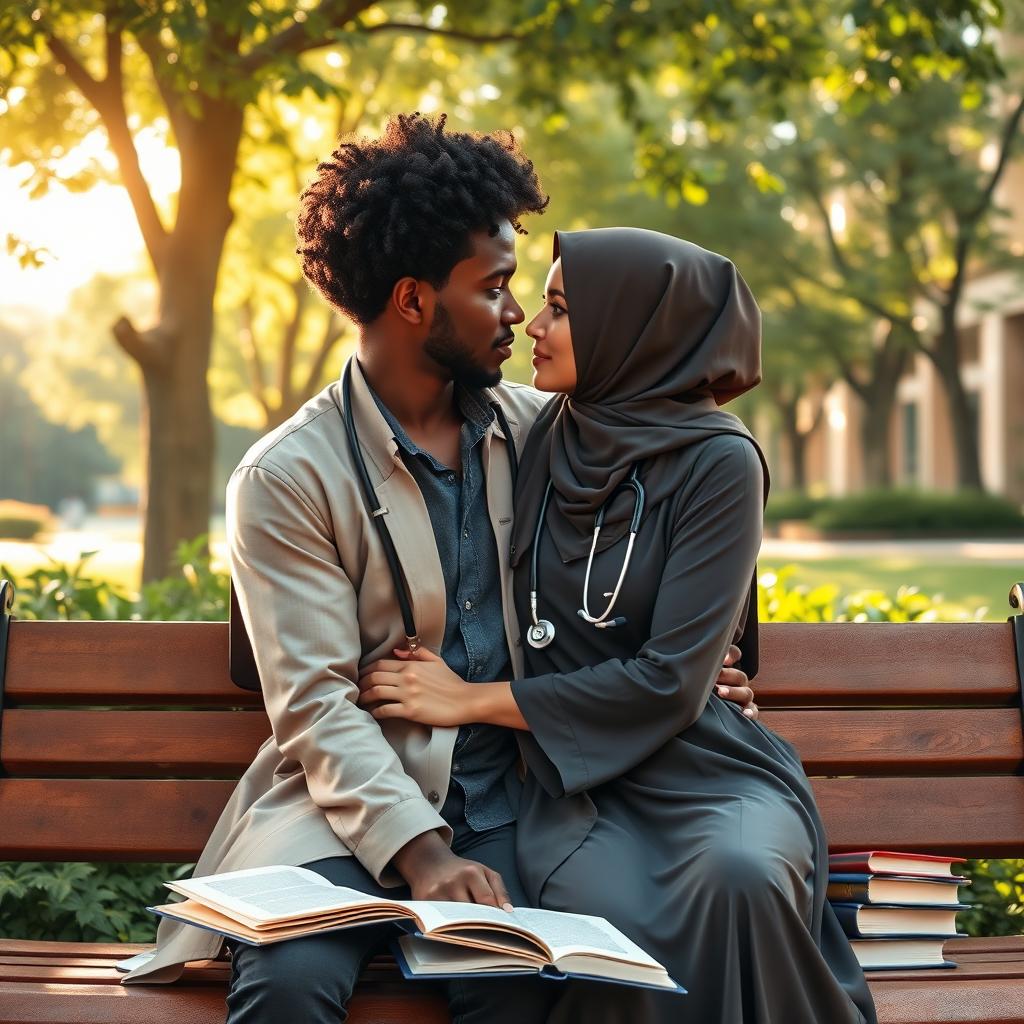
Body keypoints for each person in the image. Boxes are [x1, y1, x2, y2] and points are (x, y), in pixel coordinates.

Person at [120, 116, 756, 1024]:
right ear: (414, 300)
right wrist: (424, 856)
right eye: (496, 289)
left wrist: (701, 670)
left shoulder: (545, 430)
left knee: (521, 995)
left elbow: (680, 505)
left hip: (522, 806)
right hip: (344, 806)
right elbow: (314, 704)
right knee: (288, 986)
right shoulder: (287, 476)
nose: (518, 316)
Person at [357, 228, 879, 1024]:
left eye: (561, 310)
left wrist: (467, 699)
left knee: (740, 877)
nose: (531, 322)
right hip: (578, 787)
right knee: (604, 921)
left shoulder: (719, 461)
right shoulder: (536, 433)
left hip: (702, 769)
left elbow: (677, 675)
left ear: (637, 331)